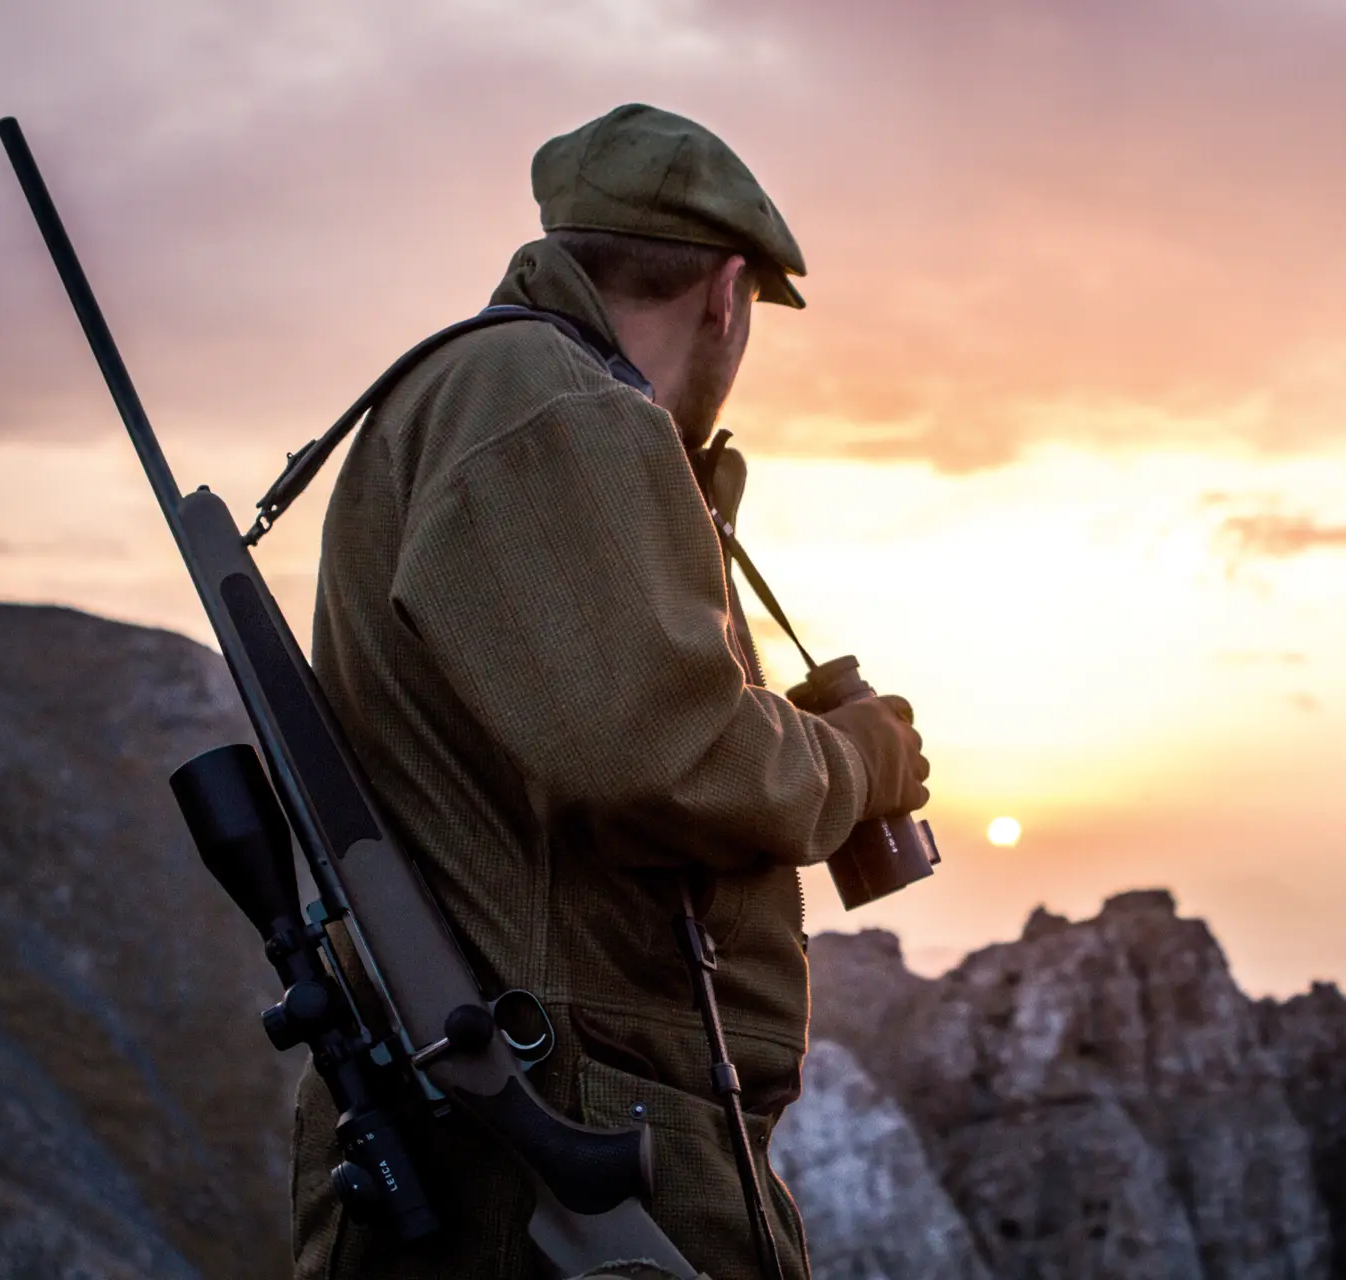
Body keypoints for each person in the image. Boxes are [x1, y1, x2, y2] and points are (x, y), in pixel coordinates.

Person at [292, 103, 930, 1280]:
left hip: (548, 1115)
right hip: (565, 1133)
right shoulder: (557, 400)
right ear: (725, 292)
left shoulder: (502, 398)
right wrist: (864, 759)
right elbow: (664, 758)